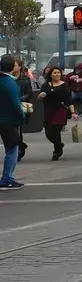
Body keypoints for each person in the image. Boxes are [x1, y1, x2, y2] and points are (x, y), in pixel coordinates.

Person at [38, 67, 76, 161]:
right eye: (54, 73)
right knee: (48, 133)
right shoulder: (46, 85)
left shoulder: (65, 86)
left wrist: (73, 112)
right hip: (48, 110)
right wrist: (40, 96)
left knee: (56, 131)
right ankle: (59, 144)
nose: (57, 74)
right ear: (50, 74)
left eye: (58, 72)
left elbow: (69, 101)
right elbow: (39, 97)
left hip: (60, 111)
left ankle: (56, 152)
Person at [0, 54, 25, 189]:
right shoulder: (9, 82)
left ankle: (7, 177)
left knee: (11, 148)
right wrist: (23, 116)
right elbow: (16, 104)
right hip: (8, 120)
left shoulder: (3, 80)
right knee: (12, 150)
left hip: (3, 119)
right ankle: (6, 178)